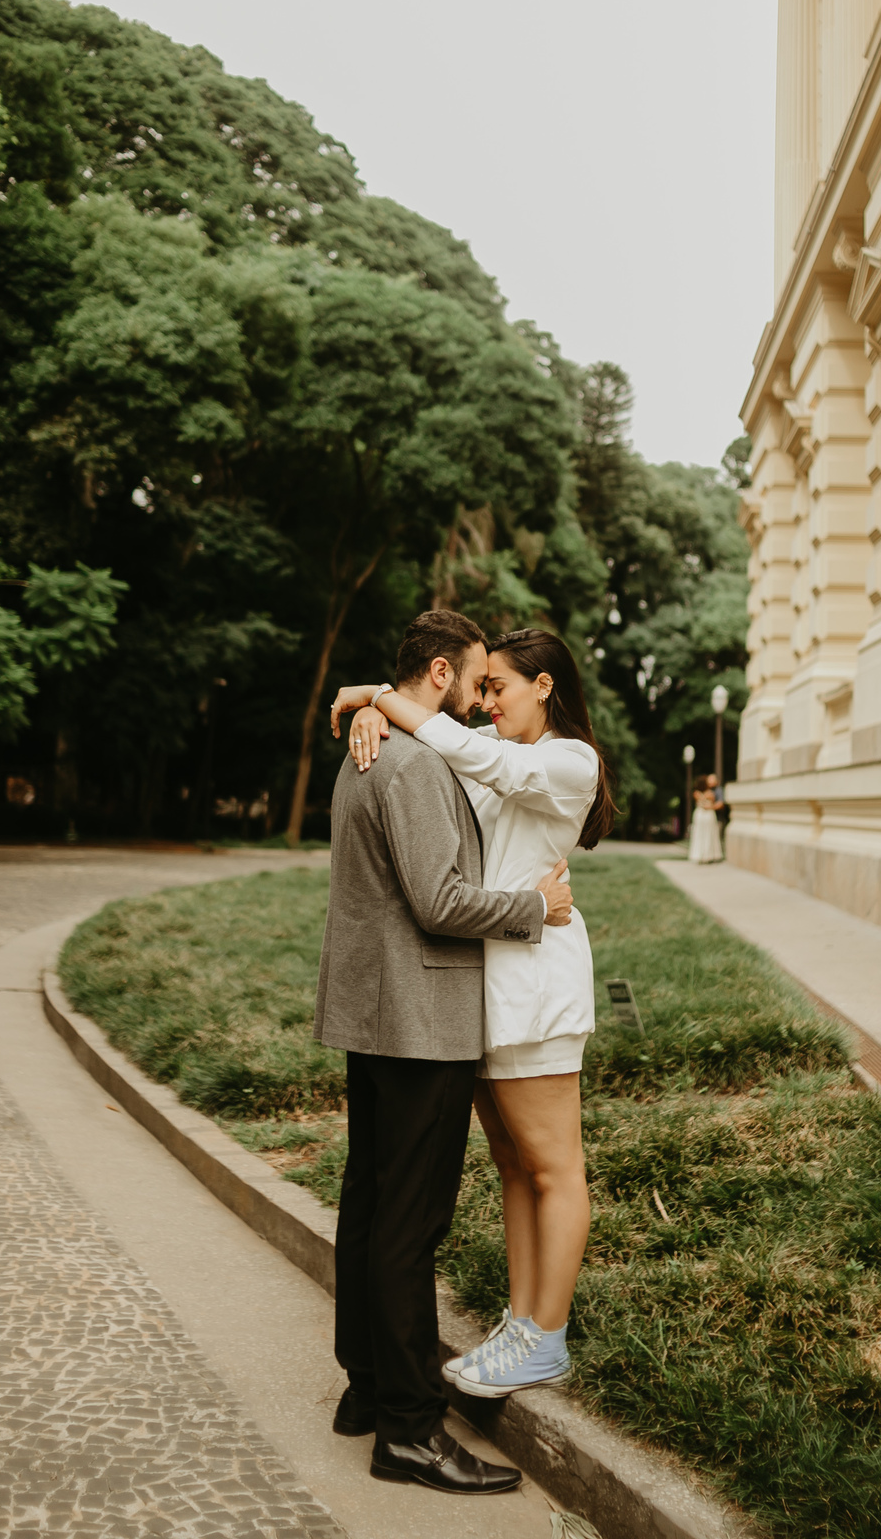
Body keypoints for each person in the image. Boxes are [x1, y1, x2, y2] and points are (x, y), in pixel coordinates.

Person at [315, 609, 575, 1497]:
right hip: (420, 1023)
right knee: (410, 1223)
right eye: (475, 677)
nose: (480, 695)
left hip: (372, 1013)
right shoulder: (417, 763)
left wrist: (367, 702)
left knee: (368, 1202)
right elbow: (439, 901)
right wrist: (536, 909)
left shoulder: (372, 745)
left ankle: (367, 1387)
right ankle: (411, 1431)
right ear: (438, 672)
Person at [688, 773, 723, 864]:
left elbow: (718, 803)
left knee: (705, 834)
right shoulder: (709, 793)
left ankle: (705, 855)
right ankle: (706, 855)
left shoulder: (702, 793)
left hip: (705, 814)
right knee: (705, 834)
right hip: (705, 815)